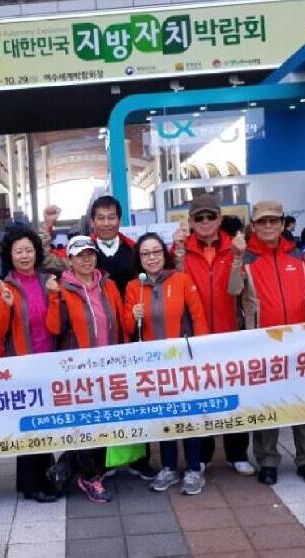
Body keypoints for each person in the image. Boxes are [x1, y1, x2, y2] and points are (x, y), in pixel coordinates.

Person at [229, 201, 305, 486]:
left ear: (283, 224)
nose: (268, 226)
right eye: (262, 222)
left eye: (273, 221)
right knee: (266, 404)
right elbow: (232, 290)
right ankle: (267, 461)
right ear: (253, 226)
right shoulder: (246, 257)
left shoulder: (298, 254)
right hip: (262, 345)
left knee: (303, 403)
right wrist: (236, 257)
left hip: (300, 344)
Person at [172, 194, 255, 476]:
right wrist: (179, 252)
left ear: (219, 219)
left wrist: (238, 256)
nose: (205, 222)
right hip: (195, 336)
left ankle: (237, 453)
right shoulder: (181, 249)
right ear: (191, 221)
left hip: (229, 332)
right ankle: (204, 454)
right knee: (201, 395)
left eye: (210, 217)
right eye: (199, 217)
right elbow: (178, 287)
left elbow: (237, 290)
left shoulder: (235, 247)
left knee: (233, 393)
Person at [123, 233, 209, 495]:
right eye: (145, 253)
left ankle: (194, 469)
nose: (152, 258)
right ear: (139, 258)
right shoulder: (134, 287)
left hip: (183, 360)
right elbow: (128, 328)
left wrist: (201, 353)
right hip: (153, 365)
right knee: (164, 414)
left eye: (156, 252)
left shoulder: (181, 280)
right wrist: (133, 315)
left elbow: (198, 317)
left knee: (188, 412)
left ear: (164, 253)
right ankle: (169, 467)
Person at [46, 235, 125, 503]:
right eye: (80, 255)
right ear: (69, 260)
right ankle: (89, 476)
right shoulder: (62, 288)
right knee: (83, 423)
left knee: (103, 420)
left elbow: (121, 322)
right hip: (77, 371)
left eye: (90, 253)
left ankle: (87, 470)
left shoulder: (108, 285)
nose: (86, 259)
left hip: (108, 367)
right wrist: (54, 297)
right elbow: (54, 328)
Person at [89, 195, 157, 481]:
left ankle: (140, 458)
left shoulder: (133, 250)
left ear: (120, 219)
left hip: (132, 333)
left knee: (136, 394)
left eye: (111, 217)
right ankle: (101, 462)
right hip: (98, 337)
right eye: (101, 218)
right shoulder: (85, 251)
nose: (107, 223)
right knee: (101, 396)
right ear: (93, 221)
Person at [0, 227, 58, 503]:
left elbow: (55, 326)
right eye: (18, 251)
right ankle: (33, 484)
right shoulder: (4, 287)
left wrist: (54, 296)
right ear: (10, 255)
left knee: (45, 422)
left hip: (48, 361)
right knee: (29, 424)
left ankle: (37, 478)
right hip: (21, 366)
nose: (25, 255)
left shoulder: (47, 281)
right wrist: (6, 306)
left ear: (36, 253)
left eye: (29, 250)